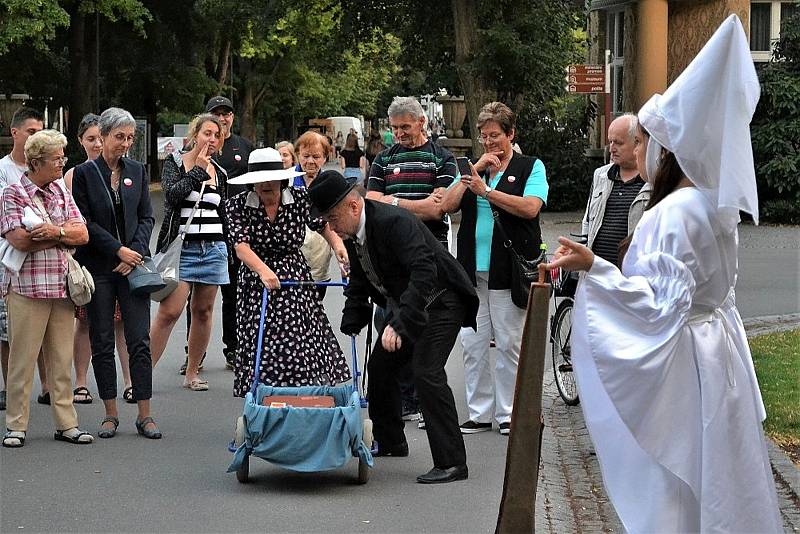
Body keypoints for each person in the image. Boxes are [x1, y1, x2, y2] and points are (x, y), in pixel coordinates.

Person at [543, 16, 782, 532]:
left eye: (648, 141)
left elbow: (656, 308)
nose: (641, 150)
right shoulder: (713, 206)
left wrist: (596, 268)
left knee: (675, 479)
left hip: (688, 365)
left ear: (667, 148)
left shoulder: (671, 214)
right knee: (721, 470)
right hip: (719, 358)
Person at [309, 170, 479, 484]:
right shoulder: (357, 231)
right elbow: (362, 277)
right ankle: (391, 441)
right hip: (414, 303)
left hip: (442, 301)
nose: (329, 227)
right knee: (382, 366)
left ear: (354, 206)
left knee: (426, 372)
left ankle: (453, 462)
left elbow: (424, 271)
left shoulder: (393, 222)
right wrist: (353, 316)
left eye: (331, 218)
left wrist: (400, 325)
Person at [441, 101, 548, 436]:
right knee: (472, 343)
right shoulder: (476, 170)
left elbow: (530, 208)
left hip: (508, 270)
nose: (489, 143)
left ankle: (508, 413)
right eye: (484, 136)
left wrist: (488, 191)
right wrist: (471, 173)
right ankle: (479, 412)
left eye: (495, 136)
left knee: (508, 343)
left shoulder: (530, 167)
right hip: (473, 270)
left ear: (511, 134)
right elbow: (447, 205)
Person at [225, 149, 351, 396]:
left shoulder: (300, 197)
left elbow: (323, 224)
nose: (265, 186)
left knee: (297, 338)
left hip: (294, 275)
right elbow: (240, 247)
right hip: (256, 278)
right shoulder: (236, 205)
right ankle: (263, 395)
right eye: (259, 182)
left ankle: (301, 394)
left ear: (282, 179)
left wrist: (338, 246)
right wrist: (263, 270)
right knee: (261, 338)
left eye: (271, 180)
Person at [367, 96, 458, 423]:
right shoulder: (384, 158)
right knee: (387, 323)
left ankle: (419, 394)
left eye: (405, 127)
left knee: (422, 323)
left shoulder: (441, 158)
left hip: (428, 250)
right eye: (394, 128)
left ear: (422, 122)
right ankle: (404, 397)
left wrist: (392, 202)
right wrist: (412, 205)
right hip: (389, 256)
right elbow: (370, 202)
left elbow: (440, 207)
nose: (399, 134)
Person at [71, 107, 160, 439]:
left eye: (130, 137)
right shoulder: (84, 173)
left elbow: (147, 217)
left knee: (139, 339)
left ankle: (145, 413)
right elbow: (85, 222)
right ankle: (110, 413)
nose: (125, 143)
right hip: (100, 267)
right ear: (103, 136)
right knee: (102, 339)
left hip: (132, 267)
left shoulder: (137, 170)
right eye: (119, 137)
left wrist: (133, 253)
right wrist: (116, 250)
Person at [1, 129, 93, 447]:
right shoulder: (13, 194)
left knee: (61, 359)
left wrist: (52, 231)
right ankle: (16, 425)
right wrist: (62, 235)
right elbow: (20, 240)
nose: (62, 163)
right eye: (57, 159)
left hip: (60, 287)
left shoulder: (60, 191)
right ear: (36, 162)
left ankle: (66, 424)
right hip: (26, 288)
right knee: (22, 361)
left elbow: (82, 235)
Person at [151, 113, 229, 391]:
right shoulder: (175, 164)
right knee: (170, 311)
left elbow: (224, 213)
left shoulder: (220, 173)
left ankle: (192, 372)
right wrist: (196, 170)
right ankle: (142, 373)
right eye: (207, 133)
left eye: (216, 135)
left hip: (213, 248)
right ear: (195, 135)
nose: (212, 139)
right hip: (182, 249)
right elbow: (172, 196)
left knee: (204, 311)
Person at [64, 113, 133, 406]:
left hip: (123, 259)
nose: (95, 143)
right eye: (89, 139)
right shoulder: (76, 174)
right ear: (82, 141)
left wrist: (127, 251)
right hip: (91, 258)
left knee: (121, 325)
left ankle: (129, 381)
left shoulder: (123, 170)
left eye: (97, 138)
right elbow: (78, 220)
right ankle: (80, 381)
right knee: (86, 323)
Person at [0, 107, 48, 411]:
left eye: (41, 131)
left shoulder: (45, 170)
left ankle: (47, 387)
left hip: (41, 259)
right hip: (8, 258)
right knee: (7, 328)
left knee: (45, 324)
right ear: (15, 133)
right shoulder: (4, 170)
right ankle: (11, 388)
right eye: (32, 131)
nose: (37, 137)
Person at [206, 96, 254, 371]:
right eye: (217, 114)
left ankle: (233, 348)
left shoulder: (243, 147)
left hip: (238, 229)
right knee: (201, 295)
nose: (222, 119)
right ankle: (194, 351)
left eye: (226, 114)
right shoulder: (201, 147)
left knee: (234, 293)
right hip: (207, 229)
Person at [581, 113, 651, 267]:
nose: (611, 148)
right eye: (610, 141)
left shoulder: (651, 180)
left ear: (637, 142)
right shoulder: (601, 175)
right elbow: (587, 221)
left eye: (618, 143)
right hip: (597, 272)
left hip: (632, 273)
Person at [294, 131, 341, 300]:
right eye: (305, 156)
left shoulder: (331, 183)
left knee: (316, 305)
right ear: (297, 155)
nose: (310, 161)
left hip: (320, 255)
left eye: (316, 156)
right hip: (292, 261)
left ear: (325, 158)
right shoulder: (286, 181)